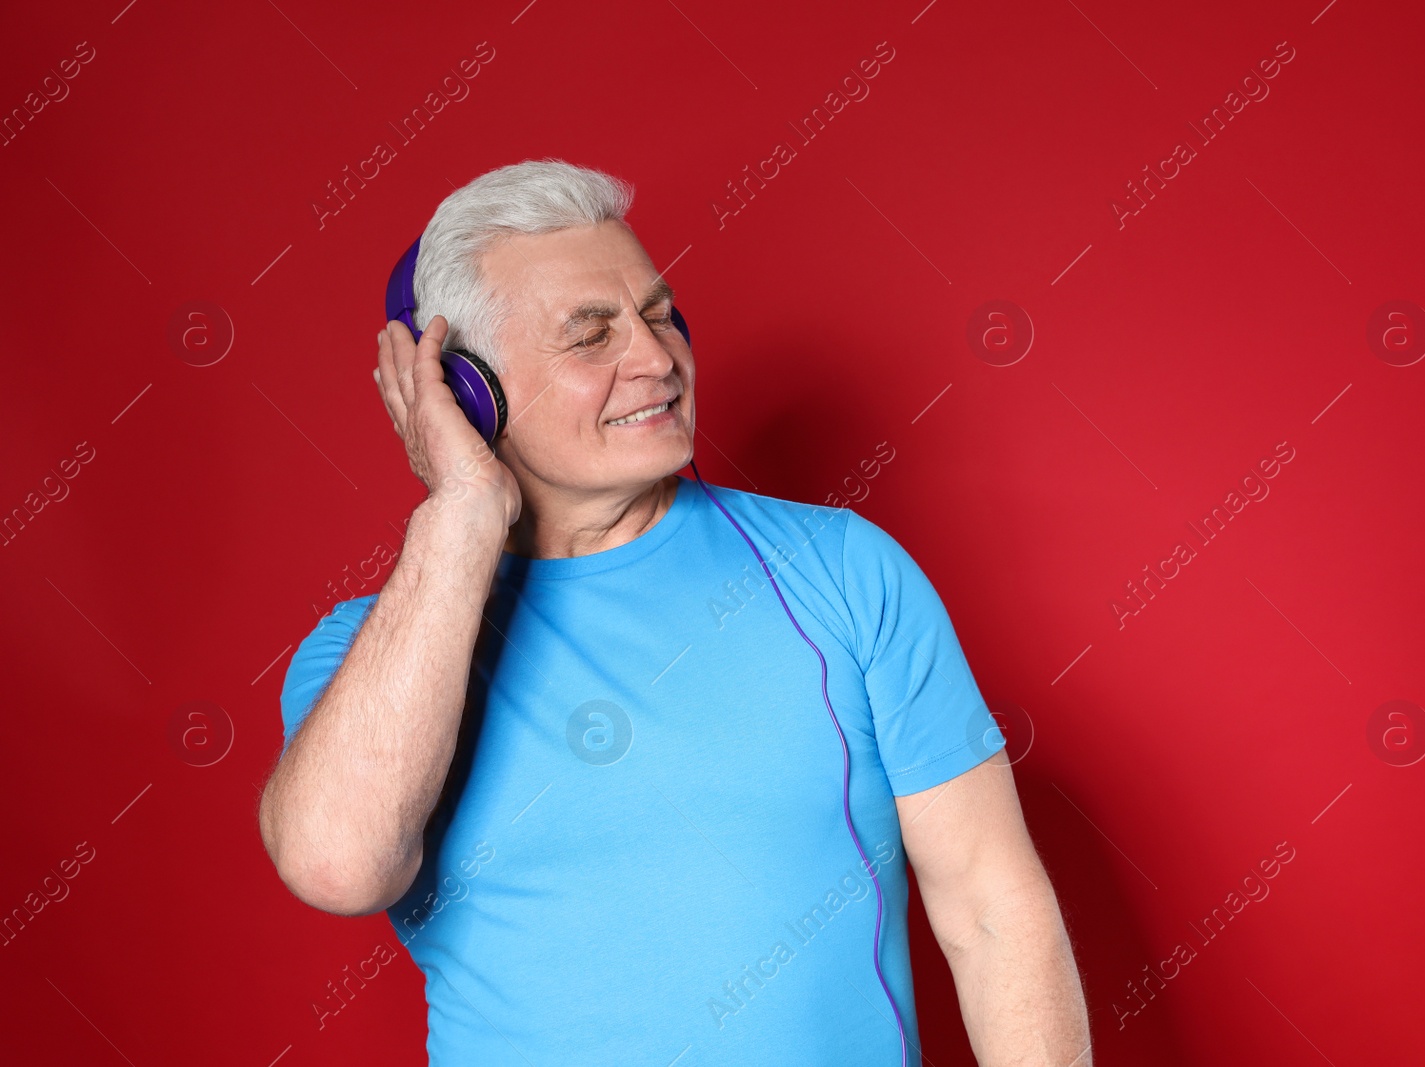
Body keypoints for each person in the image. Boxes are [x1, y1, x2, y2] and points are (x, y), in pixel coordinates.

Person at [256, 158, 1091, 1066]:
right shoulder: (366, 654)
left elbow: (990, 906)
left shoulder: (844, 570)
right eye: (592, 335)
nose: (657, 358)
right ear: (468, 392)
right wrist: (460, 507)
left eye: (658, 315)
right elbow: (339, 866)